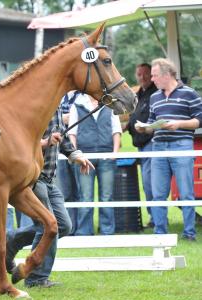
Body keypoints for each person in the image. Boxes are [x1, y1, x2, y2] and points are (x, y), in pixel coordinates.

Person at [5, 108, 93, 287]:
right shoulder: (34, 108)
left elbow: (62, 137)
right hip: (34, 179)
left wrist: (76, 155)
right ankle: (36, 278)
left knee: (64, 226)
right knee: (48, 226)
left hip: (50, 179)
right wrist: (45, 142)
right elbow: (17, 141)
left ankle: (12, 240)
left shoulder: (56, 107)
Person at [136, 58, 202, 242]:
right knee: (158, 193)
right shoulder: (155, 97)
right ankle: (160, 233)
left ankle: (189, 233)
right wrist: (145, 127)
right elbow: (151, 122)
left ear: (167, 75)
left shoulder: (189, 93)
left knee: (186, 192)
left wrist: (179, 124)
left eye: (155, 76)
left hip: (181, 145)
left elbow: (199, 119)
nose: (153, 79)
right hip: (158, 147)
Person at [68, 93, 122, 236]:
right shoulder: (77, 104)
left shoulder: (110, 103)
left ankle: (107, 231)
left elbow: (116, 130)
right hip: (84, 157)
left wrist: (115, 153)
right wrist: (76, 154)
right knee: (85, 196)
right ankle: (84, 232)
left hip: (106, 156)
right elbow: (72, 133)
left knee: (107, 196)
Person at [127, 63, 158, 228]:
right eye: (139, 74)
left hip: (151, 143)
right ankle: (155, 218)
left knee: (150, 183)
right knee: (147, 184)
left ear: (151, 75)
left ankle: (156, 219)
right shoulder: (139, 93)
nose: (142, 77)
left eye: (146, 74)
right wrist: (127, 126)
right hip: (140, 145)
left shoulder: (155, 93)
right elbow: (135, 116)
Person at [55, 91, 82, 235]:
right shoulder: (60, 95)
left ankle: (75, 227)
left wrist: (74, 153)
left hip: (75, 148)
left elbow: (63, 126)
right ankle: (69, 227)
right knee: (64, 190)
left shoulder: (81, 95)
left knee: (78, 191)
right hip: (57, 154)